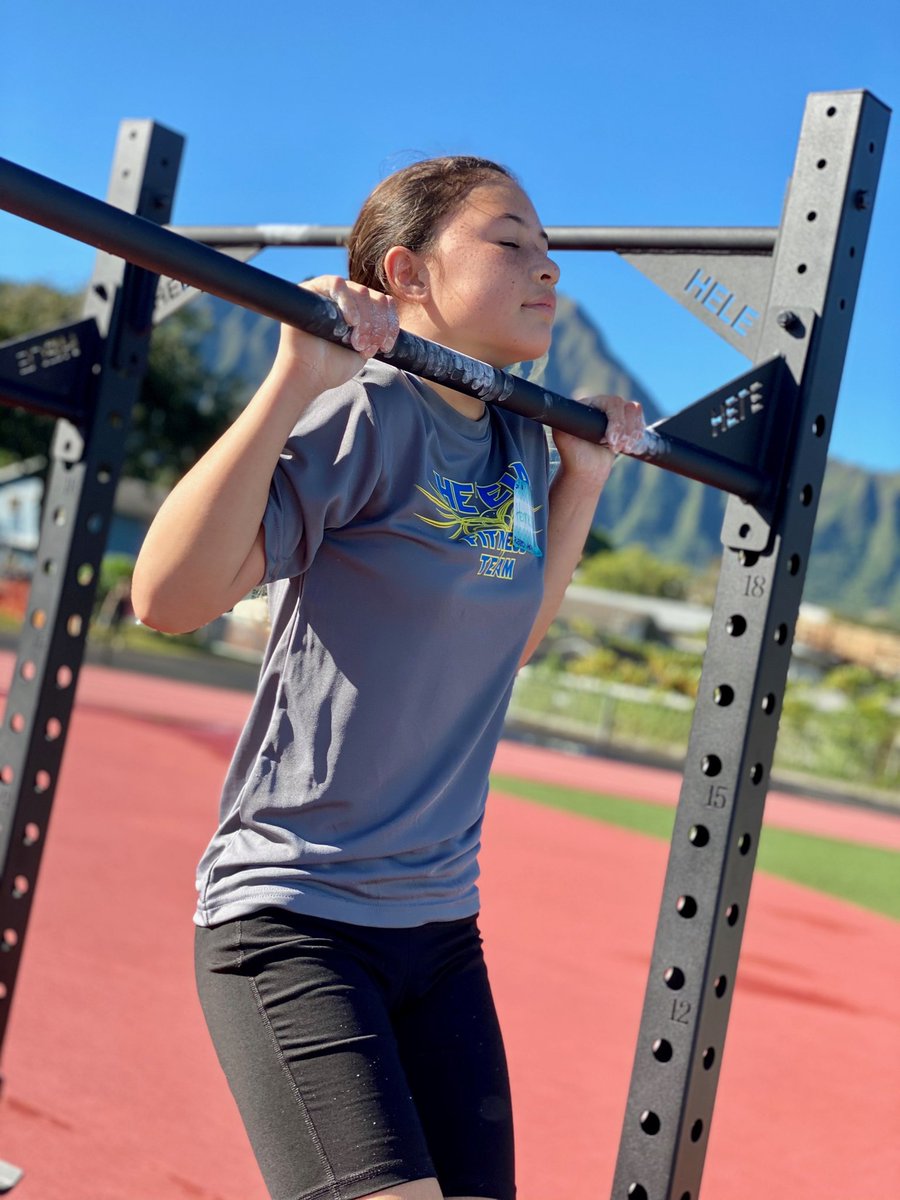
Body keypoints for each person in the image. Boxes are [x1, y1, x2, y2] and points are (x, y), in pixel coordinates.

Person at [132, 156, 645, 1200]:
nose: (548, 271)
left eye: (550, 253)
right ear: (408, 273)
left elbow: (515, 639)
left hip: (439, 931)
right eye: (511, 243)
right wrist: (292, 380)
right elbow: (167, 600)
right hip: (296, 915)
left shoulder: (514, 443)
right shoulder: (368, 413)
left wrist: (580, 482)